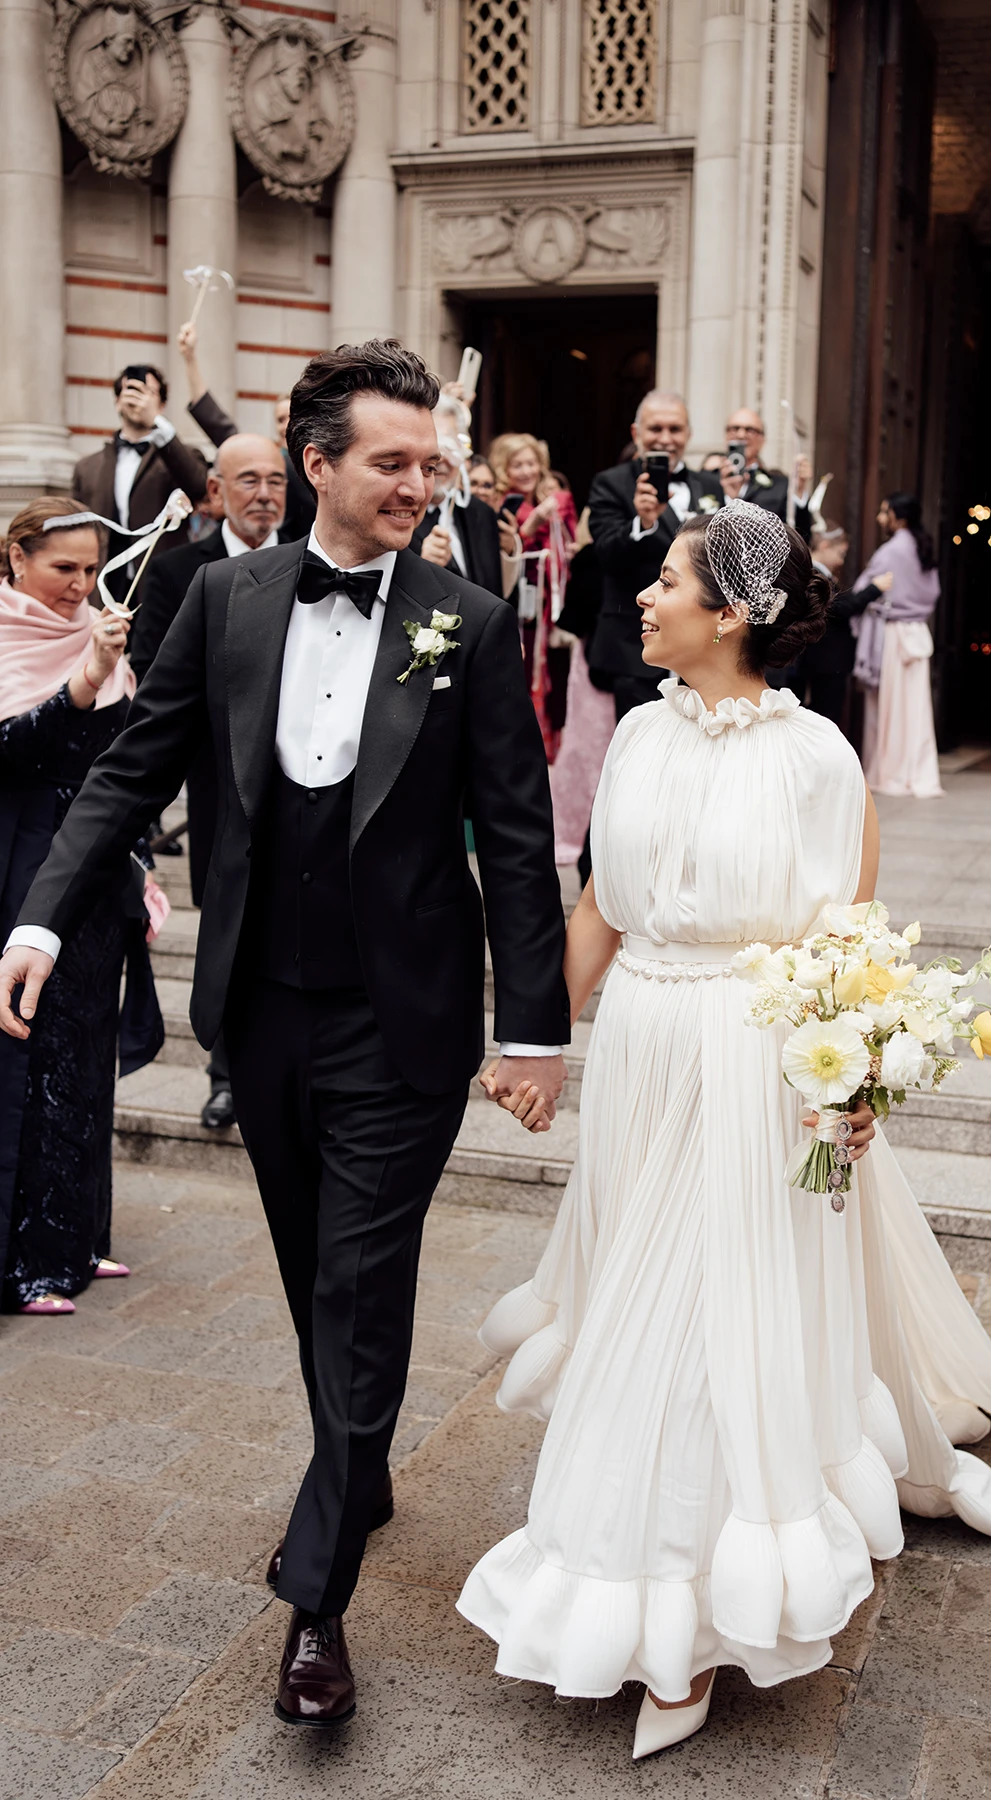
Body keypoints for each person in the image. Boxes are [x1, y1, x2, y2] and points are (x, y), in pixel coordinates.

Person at [458, 499, 991, 1760]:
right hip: (644, 1048)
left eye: (666, 581)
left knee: (709, 1312)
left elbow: (848, 936)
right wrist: (538, 1039)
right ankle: (652, 1576)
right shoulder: (640, 733)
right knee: (635, 1291)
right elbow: (601, 900)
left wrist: (850, 1080)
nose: (640, 598)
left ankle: (689, 1618)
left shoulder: (818, 757)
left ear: (735, 614)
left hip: (755, 1058)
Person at [0, 339, 569, 1728]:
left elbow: (514, 833)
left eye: (430, 464)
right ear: (315, 464)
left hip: (408, 1023)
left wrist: (537, 1030)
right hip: (261, 1013)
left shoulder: (468, 623)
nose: (418, 485)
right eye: (393, 462)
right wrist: (39, 919)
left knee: (360, 1284)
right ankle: (357, 1467)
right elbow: (136, 765)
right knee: (317, 1267)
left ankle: (317, 1595)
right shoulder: (228, 600)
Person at [0, 499, 162, 1316]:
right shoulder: (5, 632)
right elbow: (13, 750)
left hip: (97, 880)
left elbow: (122, 766)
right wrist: (86, 680)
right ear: (16, 559)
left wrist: (141, 867)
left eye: (92, 569)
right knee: (29, 1064)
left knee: (86, 1057)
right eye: (63, 567)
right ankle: (23, 1262)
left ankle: (75, 1239)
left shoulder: (100, 633)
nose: (81, 586)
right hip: (20, 875)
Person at [130, 434, 291, 1133]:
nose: (264, 493)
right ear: (215, 492)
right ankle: (226, 1075)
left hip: (312, 789)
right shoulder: (176, 575)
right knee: (228, 929)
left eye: (276, 480)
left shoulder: (322, 563)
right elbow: (159, 682)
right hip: (221, 788)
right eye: (248, 479)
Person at [586, 390, 722, 719]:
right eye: (655, 429)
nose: (665, 438)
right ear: (637, 433)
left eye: (675, 429)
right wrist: (643, 523)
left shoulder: (710, 486)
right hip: (636, 648)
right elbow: (604, 555)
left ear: (688, 434)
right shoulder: (611, 483)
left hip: (702, 650)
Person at [71, 363, 209, 599]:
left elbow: (198, 487)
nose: (139, 398)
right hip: (103, 587)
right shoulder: (87, 467)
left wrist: (157, 423)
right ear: (117, 401)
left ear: (162, 404)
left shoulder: (179, 455)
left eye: (148, 392)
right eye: (131, 390)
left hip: (160, 588)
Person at [177, 322, 317, 538]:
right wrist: (190, 359)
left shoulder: (320, 465)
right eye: (280, 419)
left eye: (293, 417)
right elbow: (217, 425)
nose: (287, 425)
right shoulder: (263, 457)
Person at [490, 433, 578, 759]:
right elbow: (502, 553)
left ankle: (547, 747)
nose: (526, 471)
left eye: (531, 463)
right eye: (517, 465)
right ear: (504, 469)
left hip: (547, 603)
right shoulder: (502, 503)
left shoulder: (552, 497)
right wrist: (531, 526)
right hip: (519, 602)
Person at [851, 493, 943, 799]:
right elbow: (933, 593)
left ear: (898, 518)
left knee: (889, 707)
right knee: (914, 707)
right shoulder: (923, 547)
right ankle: (914, 770)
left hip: (892, 634)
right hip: (916, 631)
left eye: (884, 512)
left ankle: (890, 771)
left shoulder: (891, 551)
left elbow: (865, 590)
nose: (879, 518)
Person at [771, 524, 890, 727]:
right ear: (825, 545)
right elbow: (838, 608)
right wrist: (874, 589)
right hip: (823, 658)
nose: (842, 560)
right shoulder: (812, 573)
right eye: (840, 553)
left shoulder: (817, 573)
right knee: (824, 716)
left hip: (824, 659)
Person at [547, 509, 615, 866]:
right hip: (608, 662)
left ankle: (571, 830)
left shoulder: (591, 556)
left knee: (586, 743)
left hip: (591, 659)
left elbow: (573, 616)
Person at [412, 434, 519, 603]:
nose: (442, 459)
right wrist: (421, 568)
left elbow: (494, 591)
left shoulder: (481, 512)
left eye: (451, 447)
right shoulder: (399, 512)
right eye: (438, 445)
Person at [719, 408, 789, 518]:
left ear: (762, 440)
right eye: (734, 429)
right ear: (725, 435)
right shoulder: (706, 480)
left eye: (750, 430)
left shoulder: (780, 485)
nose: (741, 435)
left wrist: (799, 493)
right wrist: (729, 499)